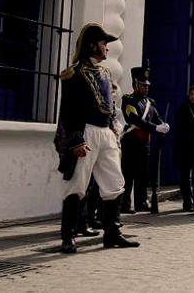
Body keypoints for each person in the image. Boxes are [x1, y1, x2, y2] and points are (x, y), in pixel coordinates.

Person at [55, 23, 139, 253]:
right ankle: (68, 236)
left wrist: (114, 128)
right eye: (103, 44)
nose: (106, 49)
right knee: (76, 185)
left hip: (105, 133)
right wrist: (76, 139)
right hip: (86, 132)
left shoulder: (105, 73)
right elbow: (69, 111)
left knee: (114, 183)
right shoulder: (73, 73)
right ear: (92, 45)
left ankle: (112, 233)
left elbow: (110, 106)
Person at [120, 66, 169, 214]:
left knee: (142, 174)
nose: (146, 88)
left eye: (147, 86)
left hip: (144, 143)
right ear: (135, 84)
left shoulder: (150, 103)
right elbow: (136, 120)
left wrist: (164, 125)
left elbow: (157, 118)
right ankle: (125, 205)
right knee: (128, 175)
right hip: (131, 141)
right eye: (143, 85)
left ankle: (141, 202)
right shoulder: (128, 101)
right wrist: (155, 128)